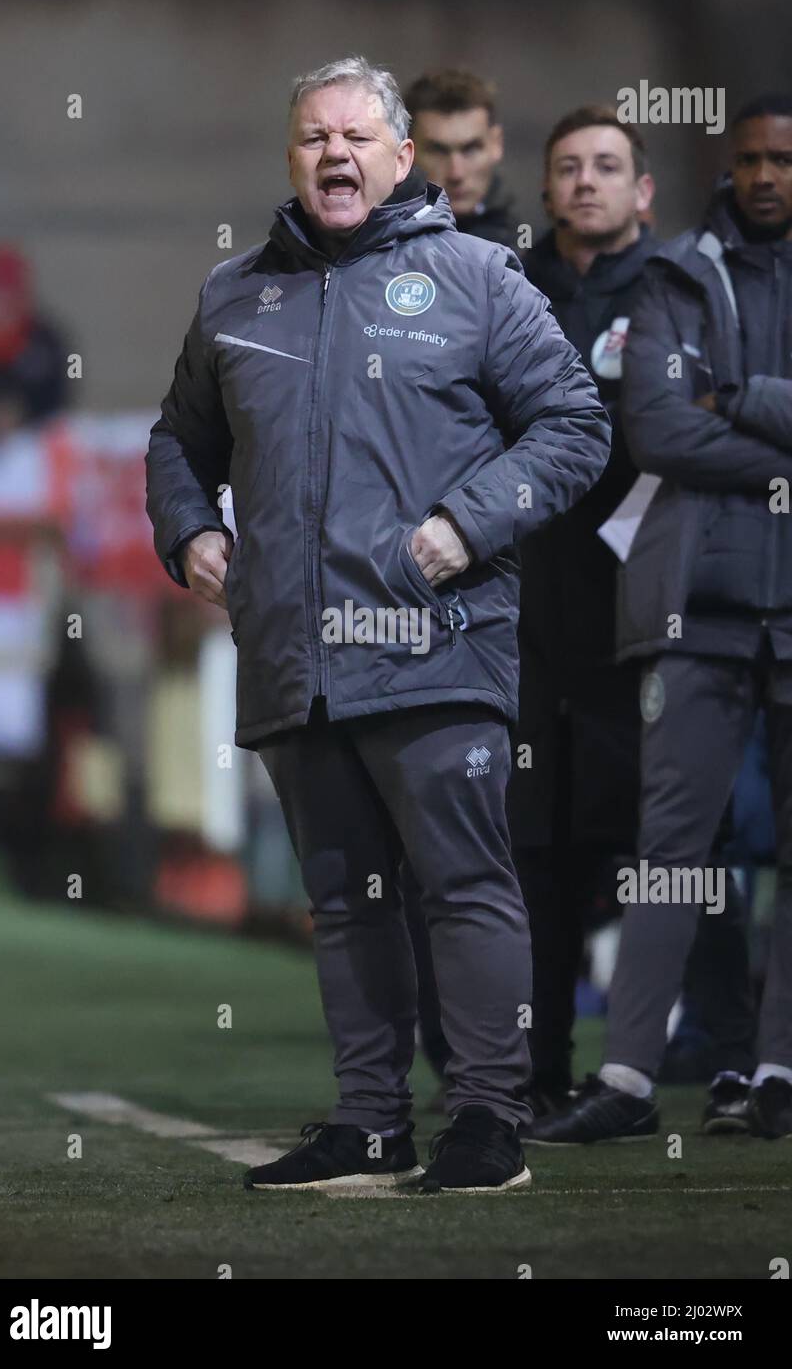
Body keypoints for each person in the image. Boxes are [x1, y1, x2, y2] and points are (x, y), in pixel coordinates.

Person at [146, 55, 610, 1193]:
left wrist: (469, 517)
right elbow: (177, 441)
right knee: (345, 905)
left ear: (403, 157)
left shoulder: (478, 278)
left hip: (434, 642)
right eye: (314, 137)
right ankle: (367, 1121)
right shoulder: (233, 294)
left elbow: (572, 422)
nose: (335, 154)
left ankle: (490, 1117)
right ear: (292, 156)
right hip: (295, 662)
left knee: (464, 886)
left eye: (359, 136)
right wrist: (188, 533)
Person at [529, 93, 792, 1145]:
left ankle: (772, 1069)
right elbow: (657, 429)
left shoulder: (673, 284)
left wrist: (739, 398)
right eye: (749, 160)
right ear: (723, 168)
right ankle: (629, 1079)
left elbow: (703, 415)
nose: (765, 175)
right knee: (670, 848)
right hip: (694, 603)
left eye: (782, 158)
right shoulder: (680, 273)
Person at [509, 105, 659, 1117]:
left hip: (649, 615)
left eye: (607, 166)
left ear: (642, 190)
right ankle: (537, 1068)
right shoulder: (509, 287)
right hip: (524, 613)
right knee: (534, 853)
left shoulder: (677, 291)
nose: (586, 182)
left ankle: (680, 1062)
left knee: (661, 851)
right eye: (567, 166)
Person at [401, 68, 522, 1095]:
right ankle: (437, 1072)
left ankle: (524, 1076)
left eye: (469, 148)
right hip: (420, 612)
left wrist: (476, 521)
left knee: (526, 847)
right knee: (417, 859)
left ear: (495, 146)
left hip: (537, 597)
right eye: (435, 150)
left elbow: (579, 431)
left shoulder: (519, 270)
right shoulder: (375, 277)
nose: (454, 170)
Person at [0, 243, 67, 437]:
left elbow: (70, 378)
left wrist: (24, 417)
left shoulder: (49, 341)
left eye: (8, 298)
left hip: (30, 440)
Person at [404, 68, 519, 245]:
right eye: (438, 151)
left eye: (470, 149)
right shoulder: (375, 246)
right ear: (405, 152)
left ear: (497, 143)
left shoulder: (530, 248)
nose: (456, 174)